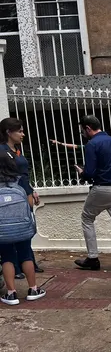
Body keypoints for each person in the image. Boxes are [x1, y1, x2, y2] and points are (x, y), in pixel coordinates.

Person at [74, 116, 111, 274]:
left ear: (88, 128)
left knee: (87, 218)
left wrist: (82, 173)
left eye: (82, 131)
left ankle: (93, 258)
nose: (83, 134)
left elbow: (90, 172)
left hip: (101, 188)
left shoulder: (92, 144)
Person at [0, 150, 46, 305]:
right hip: (22, 228)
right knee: (25, 255)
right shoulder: (20, 181)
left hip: (3, 230)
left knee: (6, 257)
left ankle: (11, 294)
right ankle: (33, 289)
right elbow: (29, 204)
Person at [0, 118, 43, 278]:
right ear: (8, 132)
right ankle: (15, 265)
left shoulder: (16, 150)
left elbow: (24, 175)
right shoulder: (3, 151)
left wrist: (32, 190)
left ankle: (27, 259)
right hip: (11, 197)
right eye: (19, 131)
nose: (23, 134)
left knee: (26, 228)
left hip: (25, 194)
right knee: (11, 229)